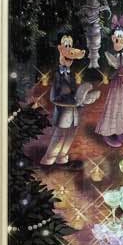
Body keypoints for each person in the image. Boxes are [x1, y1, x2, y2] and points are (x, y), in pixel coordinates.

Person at [40, 33, 99, 168]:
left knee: (70, 134)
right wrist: (72, 102)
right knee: (59, 135)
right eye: (66, 46)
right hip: (63, 112)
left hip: (73, 113)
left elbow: (74, 94)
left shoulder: (71, 74)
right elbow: (54, 97)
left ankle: (62, 156)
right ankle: (49, 157)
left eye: (70, 46)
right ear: (60, 49)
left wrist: (82, 99)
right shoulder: (57, 75)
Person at [96, 14, 123, 147]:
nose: (119, 39)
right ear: (113, 38)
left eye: (122, 37)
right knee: (114, 105)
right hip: (116, 84)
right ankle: (108, 131)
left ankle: (121, 130)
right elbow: (112, 68)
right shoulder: (110, 54)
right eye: (117, 37)